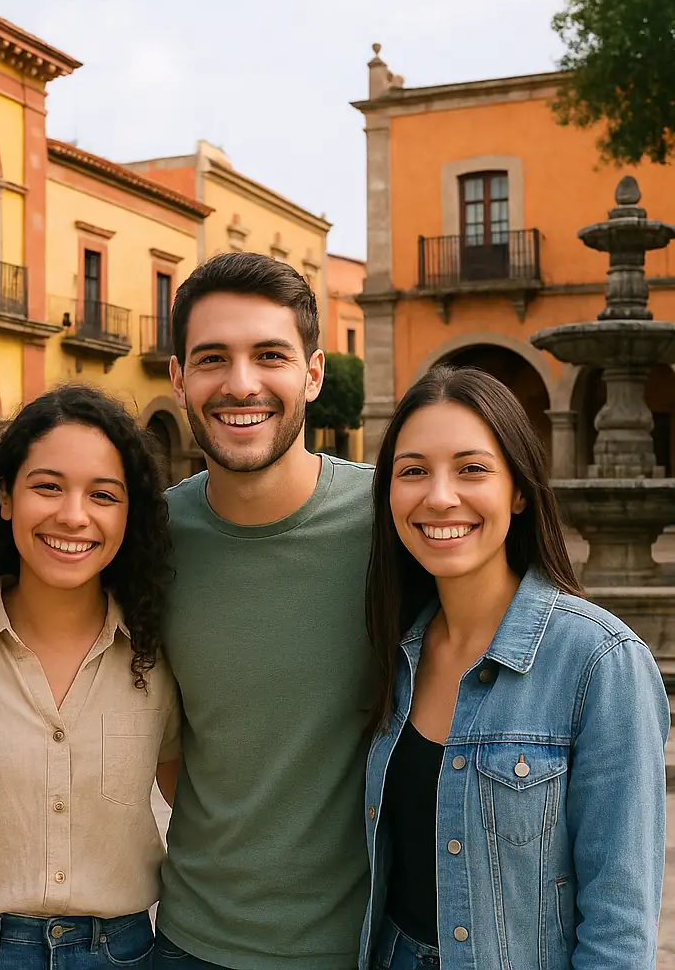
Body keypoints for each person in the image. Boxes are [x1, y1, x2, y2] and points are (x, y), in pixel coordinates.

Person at [360, 365, 668, 970]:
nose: (439, 496)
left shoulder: (599, 663)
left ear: (519, 491)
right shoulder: (392, 651)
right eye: (413, 470)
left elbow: (619, 927)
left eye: (472, 469)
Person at [155, 252, 375, 970]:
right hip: (191, 945)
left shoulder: (398, 525)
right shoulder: (146, 541)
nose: (240, 384)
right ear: (179, 378)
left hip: (366, 949)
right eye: (212, 358)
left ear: (312, 373)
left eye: (269, 355)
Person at [0, 383, 180, 970]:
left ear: (129, 513)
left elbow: (192, 798)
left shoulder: (159, 657)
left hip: (123, 952)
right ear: (6, 497)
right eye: (48, 486)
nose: (73, 515)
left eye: (104, 495)